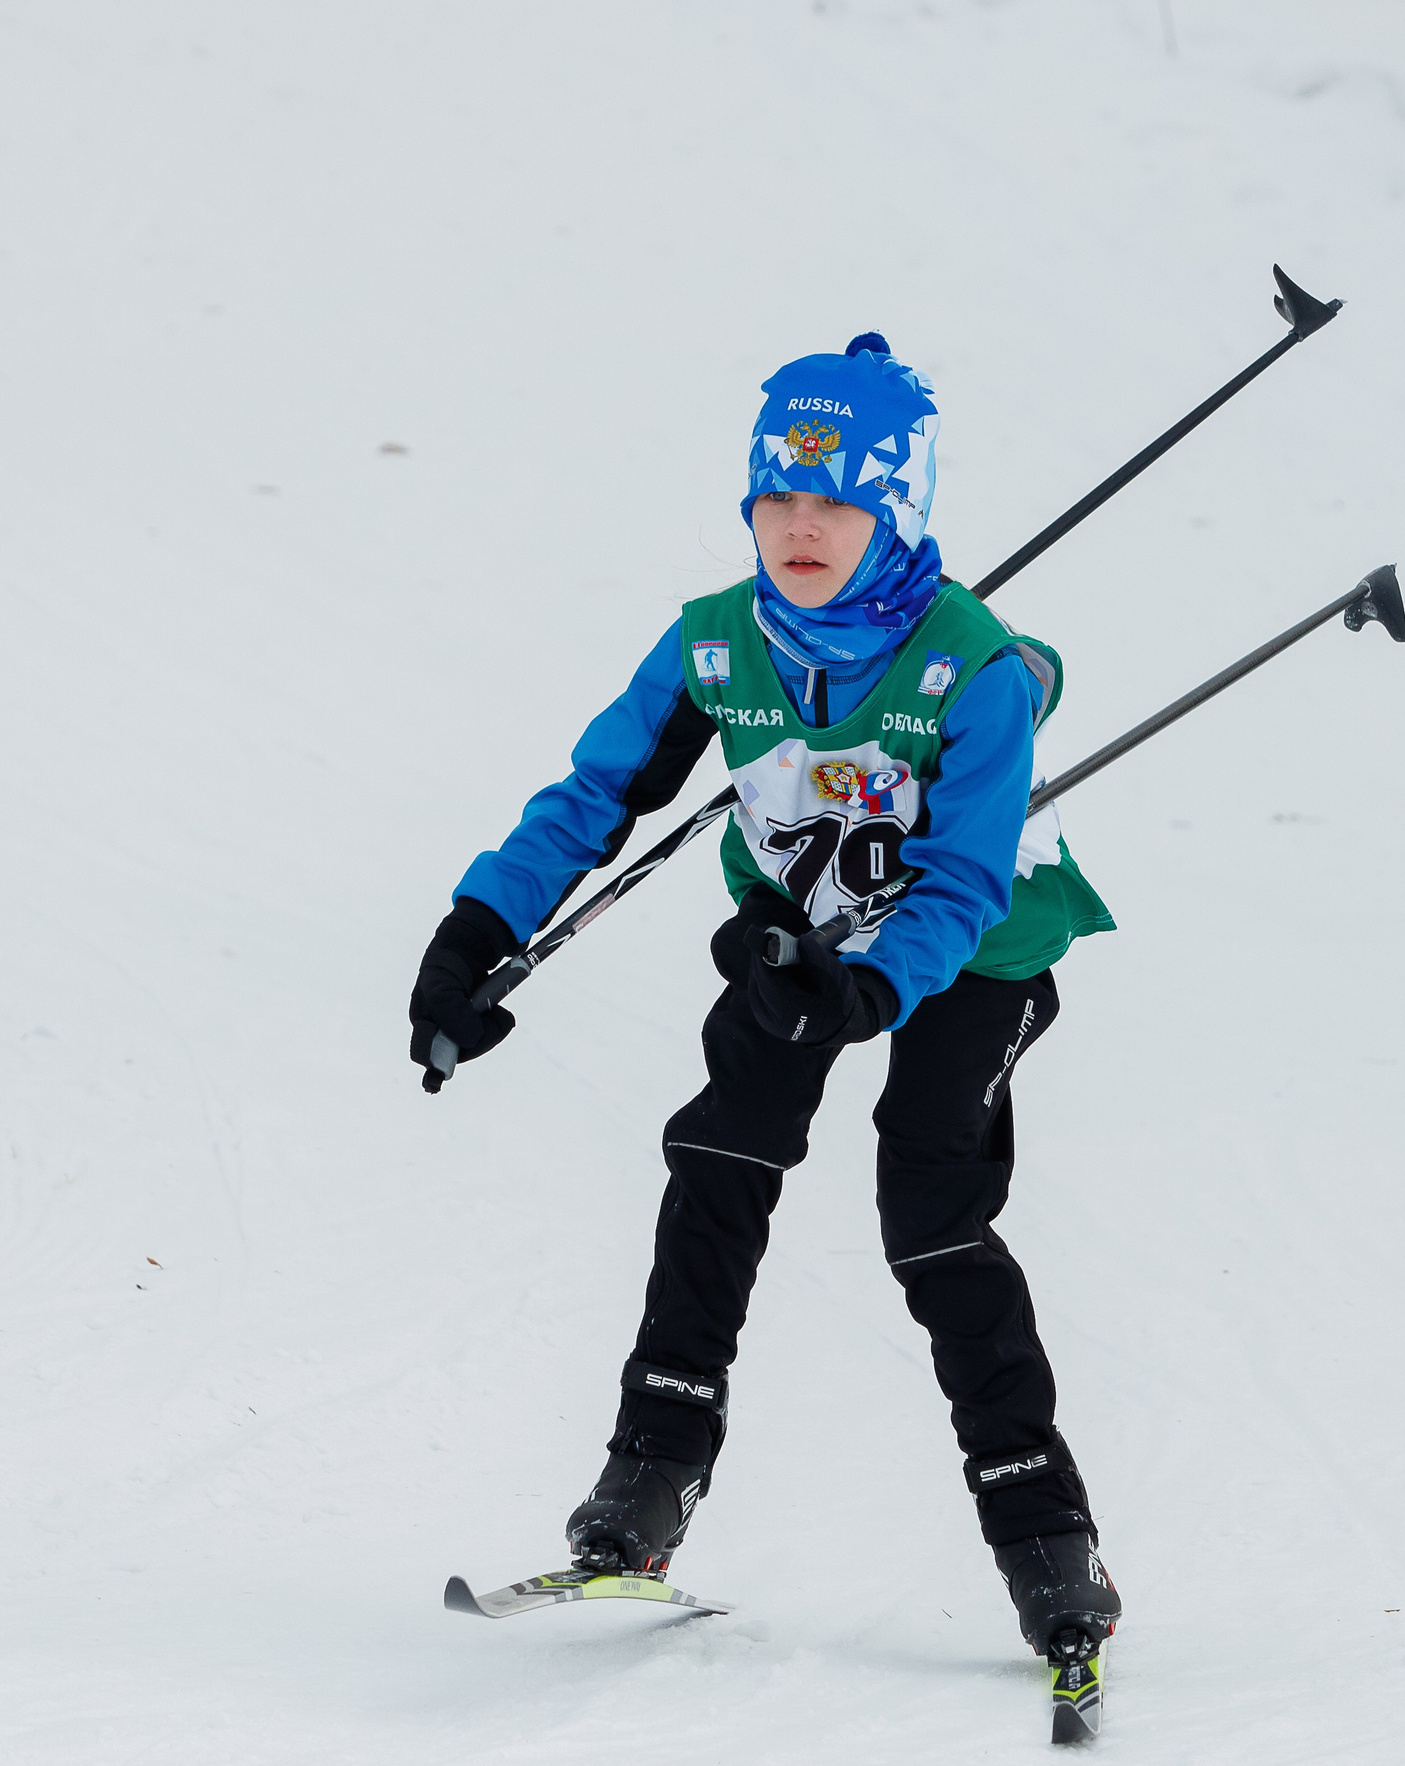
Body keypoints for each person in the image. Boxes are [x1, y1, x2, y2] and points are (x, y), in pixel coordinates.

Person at [409, 334, 1123, 1661]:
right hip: (800, 935)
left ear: (893, 512)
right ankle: (648, 1484)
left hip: (976, 952)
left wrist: (870, 991)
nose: (802, 527)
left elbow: (964, 882)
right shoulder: (717, 644)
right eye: (778, 501)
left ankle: (1043, 1533)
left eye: (838, 502)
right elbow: (596, 797)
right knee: (720, 1152)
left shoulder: (968, 666)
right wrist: (476, 930)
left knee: (931, 1207)